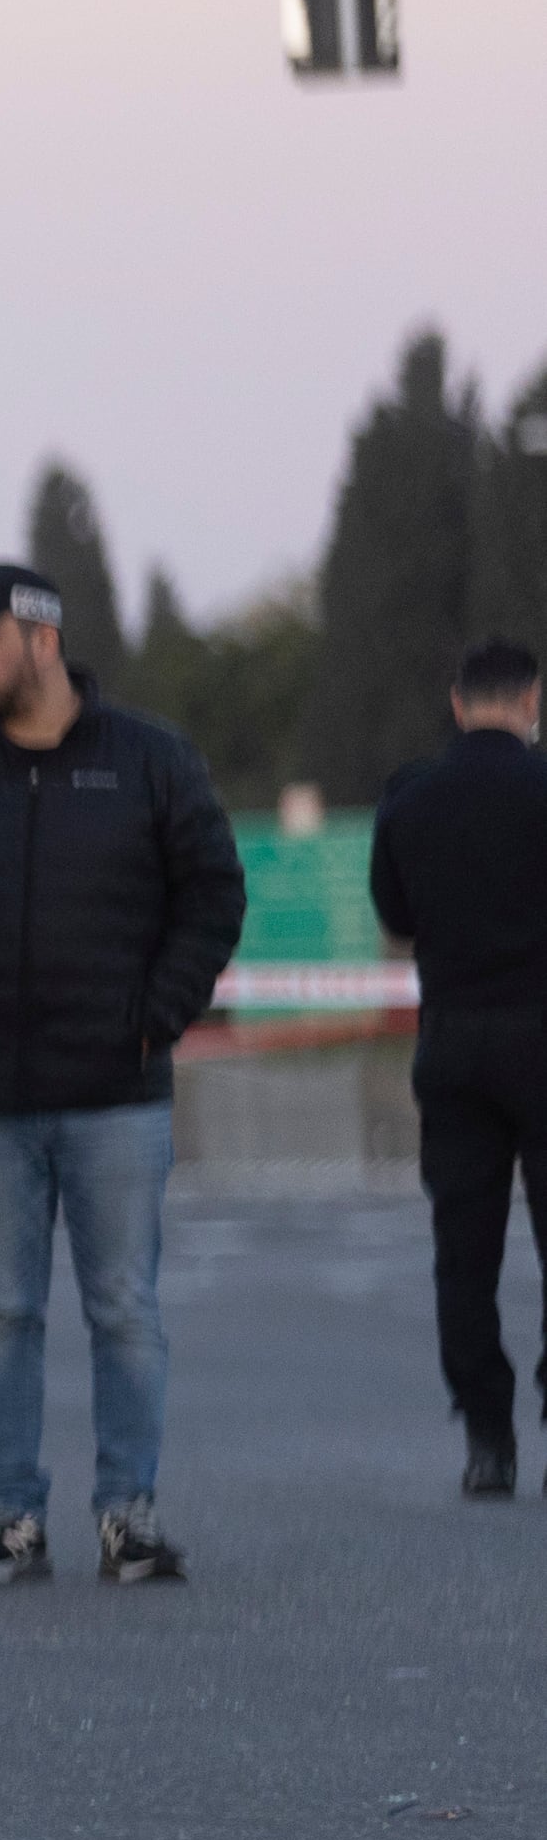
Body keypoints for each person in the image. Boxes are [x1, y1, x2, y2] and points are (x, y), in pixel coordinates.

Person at [0, 563, 245, 1585]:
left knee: (124, 1309)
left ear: (39, 636)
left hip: (115, 1095)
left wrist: (156, 1013)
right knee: (2, 1313)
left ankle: (129, 1513)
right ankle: (12, 1516)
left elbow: (212, 892)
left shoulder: (148, 759)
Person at [365, 638, 547, 1496]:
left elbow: (395, 914)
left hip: (453, 1039)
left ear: (457, 702)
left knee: (463, 1253)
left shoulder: (412, 798)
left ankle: (487, 1439)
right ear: (532, 703)